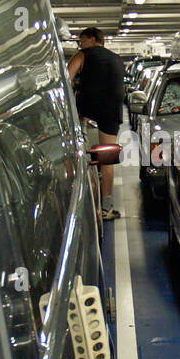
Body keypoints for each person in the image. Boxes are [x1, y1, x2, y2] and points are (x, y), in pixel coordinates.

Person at [68, 27, 125, 220]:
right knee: (107, 158)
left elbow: (66, 78)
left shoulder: (83, 54)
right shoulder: (117, 58)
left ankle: (82, 142)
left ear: (92, 39)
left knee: (80, 146)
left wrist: (77, 85)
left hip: (87, 106)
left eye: (82, 40)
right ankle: (107, 206)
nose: (80, 44)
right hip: (112, 110)